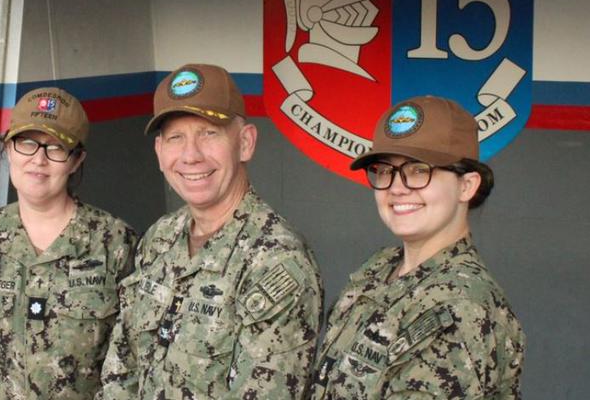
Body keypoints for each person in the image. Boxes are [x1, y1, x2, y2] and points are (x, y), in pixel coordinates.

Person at [99, 63, 323, 398]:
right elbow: (122, 368)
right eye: (176, 137)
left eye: (209, 133)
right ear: (160, 153)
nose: (191, 156)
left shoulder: (276, 262)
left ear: (245, 143)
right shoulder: (160, 238)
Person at [307, 95, 525, 398]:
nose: (397, 187)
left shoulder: (459, 306)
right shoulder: (380, 269)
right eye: (385, 170)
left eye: (419, 170)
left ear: (467, 185)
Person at [0, 87, 138, 399]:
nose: (38, 159)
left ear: (76, 160)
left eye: (56, 147)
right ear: (9, 148)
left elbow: (130, 356)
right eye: (27, 143)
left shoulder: (116, 243)